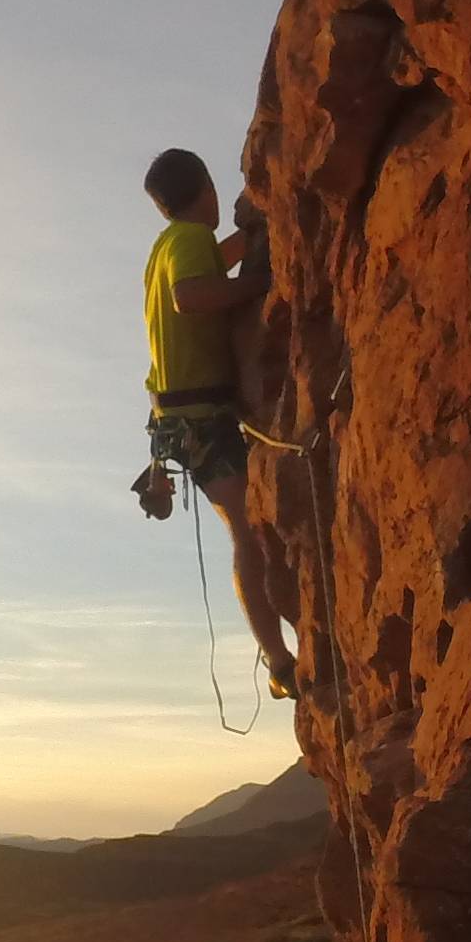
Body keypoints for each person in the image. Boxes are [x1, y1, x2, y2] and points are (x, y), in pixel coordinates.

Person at [136, 146, 303, 700]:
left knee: (249, 531)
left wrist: (258, 238)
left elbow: (213, 261)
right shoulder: (187, 242)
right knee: (251, 535)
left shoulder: (167, 246)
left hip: (181, 416)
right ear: (206, 190)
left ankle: (279, 656)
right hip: (199, 417)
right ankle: (279, 659)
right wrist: (257, 285)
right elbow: (192, 296)